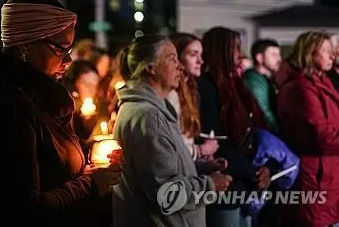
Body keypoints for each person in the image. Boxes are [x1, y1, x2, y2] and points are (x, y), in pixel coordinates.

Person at [0, 0, 121, 226]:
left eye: (70, 50)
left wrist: (93, 155)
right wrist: (89, 184)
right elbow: (22, 212)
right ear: (27, 44)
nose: (68, 60)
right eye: (61, 49)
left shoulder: (38, 98)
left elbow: (51, 163)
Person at [113, 35, 232, 227]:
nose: (180, 67)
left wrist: (198, 168)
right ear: (151, 67)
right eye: (172, 59)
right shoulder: (149, 117)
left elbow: (159, 170)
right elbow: (166, 193)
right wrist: (210, 185)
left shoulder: (151, 110)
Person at [199, 26, 270, 227]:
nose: (240, 55)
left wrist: (265, 168)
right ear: (220, 51)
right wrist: (252, 171)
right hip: (226, 182)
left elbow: (255, 128)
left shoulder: (237, 84)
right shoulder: (206, 87)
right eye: (235, 48)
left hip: (246, 181)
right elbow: (215, 140)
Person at [277, 31, 339, 227]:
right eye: (327, 51)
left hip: (328, 173)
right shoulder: (301, 88)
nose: (332, 56)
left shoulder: (323, 82)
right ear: (311, 53)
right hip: (315, 176)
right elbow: (320, 135)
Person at [168, 33, 219, 160]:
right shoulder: (171, 93)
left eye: (201, 55)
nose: (200, 61)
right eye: (193, 54)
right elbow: (171, 148)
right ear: (176, 58)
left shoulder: (191, 89)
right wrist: (202, 150)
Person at [243, 39, 282, 134]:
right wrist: (280, 133)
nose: (279, 59)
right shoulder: (253, 80)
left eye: (279, 54)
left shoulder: (267, 80)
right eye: (274, 55)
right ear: (260, 58)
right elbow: (264, 112)